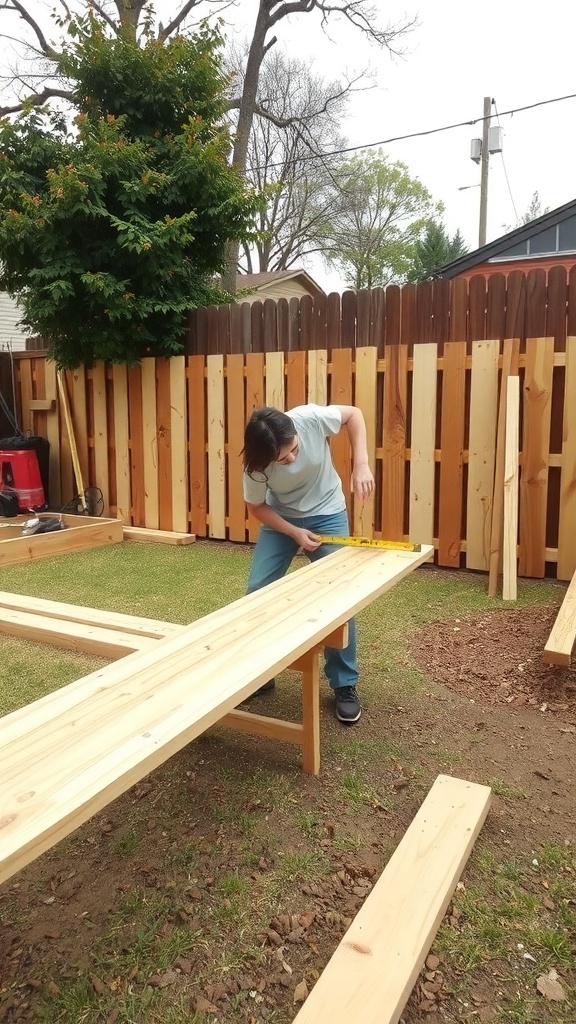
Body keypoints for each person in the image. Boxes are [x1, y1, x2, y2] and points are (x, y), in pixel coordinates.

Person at [242, 403, 375, 724]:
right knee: (258, 591)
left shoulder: (311, 419)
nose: (291, 460)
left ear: (296, 432)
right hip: (282, 519)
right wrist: (293, 532)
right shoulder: (255, 467)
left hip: (328, 512)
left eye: (294, 450)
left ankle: (345, 684)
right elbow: (256, 507)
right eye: (282, 458)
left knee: (339, 597)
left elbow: (354, 415)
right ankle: (261, 672)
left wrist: (361, 463)